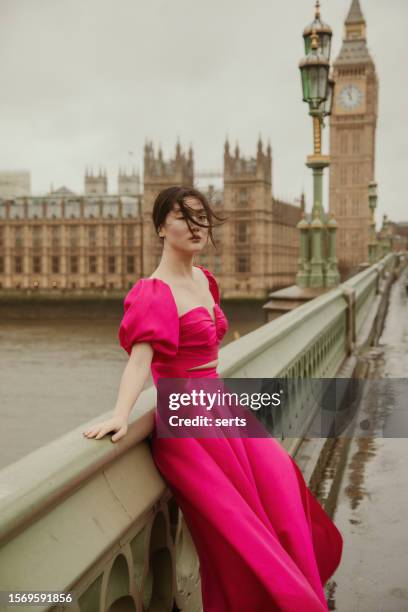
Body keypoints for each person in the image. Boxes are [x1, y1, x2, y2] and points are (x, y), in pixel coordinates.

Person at [83, 185, 343, 611]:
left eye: (201, 216)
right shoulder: (154, 290)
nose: (196, 225)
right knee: (242, 533)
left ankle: (299, 590)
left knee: (283, 486)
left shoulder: (204, 279)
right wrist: (121, 414)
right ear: (161, 227)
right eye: (184, 216)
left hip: (222, 407)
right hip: (188, 424)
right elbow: (138, 362)